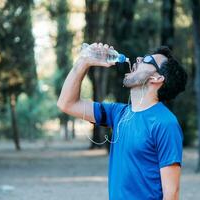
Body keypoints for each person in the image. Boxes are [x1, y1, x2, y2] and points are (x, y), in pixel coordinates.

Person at [57, 43, 188, 200]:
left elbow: (171, 194)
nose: (138, 59)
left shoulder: (166, 124)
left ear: (157, 78)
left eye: (147, 60)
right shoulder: (118, 113)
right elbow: (66, 103)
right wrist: (84, 62)